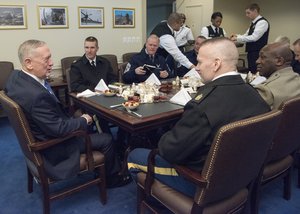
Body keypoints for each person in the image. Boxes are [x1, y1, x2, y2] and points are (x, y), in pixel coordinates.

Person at [127, 37, 270, 197]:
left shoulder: (202, 105)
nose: (197, 68)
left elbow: (169, 151)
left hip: (202, 182)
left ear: (216, 64)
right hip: (241, 175)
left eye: (200, 62)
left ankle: (156, 201)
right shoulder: (255, 95)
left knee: (134, 155)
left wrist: (166, 135)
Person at [5, 40, 130, 187]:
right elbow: (59, 129)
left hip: (42, 132)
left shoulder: (15, 78)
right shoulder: (36, 96)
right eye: (47, 59)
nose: (52, 63)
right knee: (107, 138)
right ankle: (112, 180)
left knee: (88, 125)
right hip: (54, 147)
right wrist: (84, 119)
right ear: (28, 63)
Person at [254, 42, 300, 109]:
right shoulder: (297, 79)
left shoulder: (266, 90)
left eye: (263, 57)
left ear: (279, 61)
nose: (257, 61)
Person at [231, 3, 270, 74]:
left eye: (248, 13)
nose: (247, 15)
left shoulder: (262, 22)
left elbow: (254, 38)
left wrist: (237, 38)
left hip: (258, 52)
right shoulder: (253, 23)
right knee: (251, 70)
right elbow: (246, 35)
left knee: (256, 72)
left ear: (255, 11)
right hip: (251, 52)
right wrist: (236, 36)